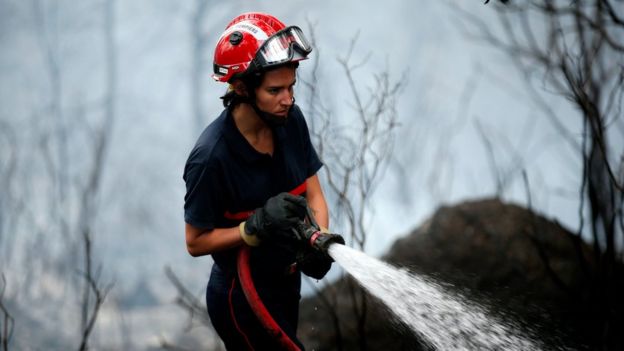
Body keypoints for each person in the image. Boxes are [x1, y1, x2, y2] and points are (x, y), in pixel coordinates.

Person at [183, 12, 334, 350]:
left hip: (286, 285)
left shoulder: (290, 121)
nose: (288, 99)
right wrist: (251, 229)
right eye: (275, 90)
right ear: (241, 87)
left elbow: (314, 193)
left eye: (291, 87)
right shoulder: (211, 158)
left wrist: (319, 239)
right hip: (241, 298)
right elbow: (194, 242)